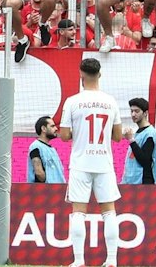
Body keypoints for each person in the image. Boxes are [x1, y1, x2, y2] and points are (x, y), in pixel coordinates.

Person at [58, 56, 123, 267]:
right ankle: (111, 259)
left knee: (78, 212)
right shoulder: (110, 101)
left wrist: (79, 132)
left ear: (81, 74)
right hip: (104, 162)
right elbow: (118, 136)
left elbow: (64, 135)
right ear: (100, 74)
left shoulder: (72, 101)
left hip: (81, 162)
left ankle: (79, 260)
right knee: (109, 211)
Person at [122, 98, 156, 185]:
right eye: (132, 111)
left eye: (137, 111)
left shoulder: (150, 134)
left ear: (145, 113)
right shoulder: (138, 132)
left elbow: (145, 160)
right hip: (132, 182)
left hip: (143, 183)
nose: (133, 114)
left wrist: (131, 140)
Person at [27, 117, 66, 185]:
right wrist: (48, 185)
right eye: (52, 126)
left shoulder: (52, 149)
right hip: (46, 190)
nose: (56, 129)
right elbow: (39, 173)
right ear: (44, 129)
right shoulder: (35, 146)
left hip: (58, 189)